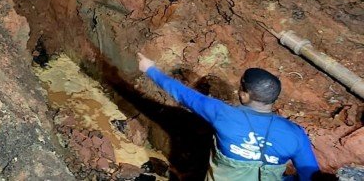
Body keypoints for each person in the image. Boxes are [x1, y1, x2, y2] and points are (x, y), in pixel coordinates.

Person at [137, 53, 320, 180]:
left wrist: (150, 69)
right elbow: (311, 176)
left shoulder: (223, 114)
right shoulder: (295, 134)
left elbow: (183, 95)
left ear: (244, 94)